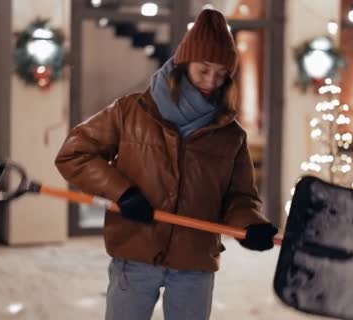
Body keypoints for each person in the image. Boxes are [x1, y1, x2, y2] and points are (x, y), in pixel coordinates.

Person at [55, 9, 278, 320]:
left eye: (221, 73)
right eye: (204, 69)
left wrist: (250, 225)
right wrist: (123, 193)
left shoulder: (231, 136)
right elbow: (74, 154)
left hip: (194, 260)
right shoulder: (131, 112)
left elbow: (240, 197)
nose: (211, 81)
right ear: (184, 63)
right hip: (135, 250)